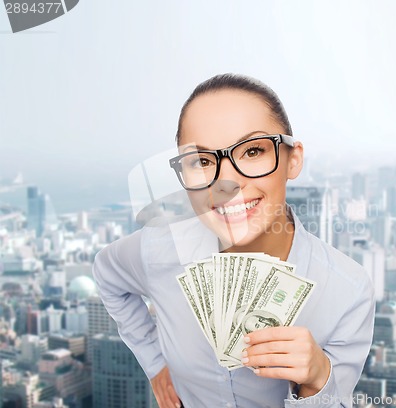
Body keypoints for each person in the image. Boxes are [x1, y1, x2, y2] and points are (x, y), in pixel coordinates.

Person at [93, 73, 375, 408]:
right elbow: (107, 274)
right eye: (201, 161)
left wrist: (317, 381)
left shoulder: (347, 291)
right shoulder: (158, 249)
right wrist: (155, 363)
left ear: (293, 159)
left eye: (253, 151)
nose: (227, 182)